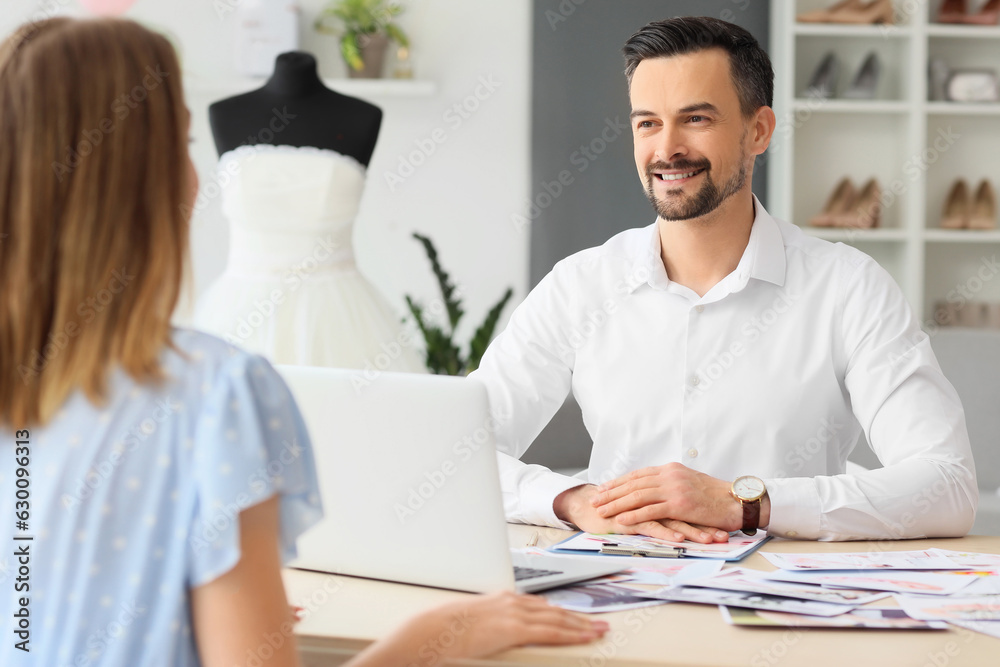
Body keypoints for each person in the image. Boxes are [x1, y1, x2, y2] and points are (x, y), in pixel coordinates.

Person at [0, 17, 607, 667]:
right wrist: (441, 635)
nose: (198, 177)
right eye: (180, 143)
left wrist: (205, 601)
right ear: (138, 179)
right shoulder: (218, 395)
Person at [471, 16, 977, 543]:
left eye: (695, 119)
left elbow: (947, 484)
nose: (666, 149)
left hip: (786, 606)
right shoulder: (580, 286)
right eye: (647, 123)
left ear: (757, 131)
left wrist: (744, 503)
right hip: (618, 588)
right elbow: (456, 449)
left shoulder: (848, 288)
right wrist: (571, 501)